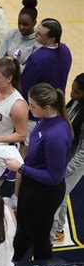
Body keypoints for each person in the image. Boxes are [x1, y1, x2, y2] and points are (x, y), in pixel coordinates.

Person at [5, 18, 72, 208]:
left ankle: (17, 198)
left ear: (51, 39)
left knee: (24, 160)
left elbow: (24, 86)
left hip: (35, 117)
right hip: (52, 110)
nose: (35, 35)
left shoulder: (38, 58)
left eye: (40, 34)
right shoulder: (66, 51)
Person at [5, 83, 72, 260]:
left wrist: (21, 168)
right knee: (23, 230)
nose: (28, 108)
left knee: (39, 237)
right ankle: (17, 259)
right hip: (32, 184)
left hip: (44, 193)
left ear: (47, 107)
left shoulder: (56, 135)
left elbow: (54, 178)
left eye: (32, 106)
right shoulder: (45, 120)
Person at [52, 74, 84, 242]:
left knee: (56, 198)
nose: (72, 94)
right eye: (72, 88)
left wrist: (65, 170)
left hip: (74, 164)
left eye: (77, 92)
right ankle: (59, 230)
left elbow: (83, 153)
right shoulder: (76, 102)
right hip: (64, 157)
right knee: (62, 195)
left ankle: (49, 238)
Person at [0, 0, 40, 71]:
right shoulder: (11, 34)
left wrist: (7, 60)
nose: (21, 27)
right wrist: (18, 65)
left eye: (25, 25)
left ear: (34, 23)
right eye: (19, 23)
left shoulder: (37, 44)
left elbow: (28, 70)